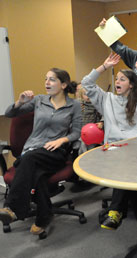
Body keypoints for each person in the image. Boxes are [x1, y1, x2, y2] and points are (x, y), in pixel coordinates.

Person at [81, 53, 137, 241]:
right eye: (116, 79)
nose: (117, 81)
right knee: (128, 174)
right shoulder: (105, 99)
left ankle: (116, 211)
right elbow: (86, 83)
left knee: (126, 172)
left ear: (131, 85)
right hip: (114, 150)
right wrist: (104, 66)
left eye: (122, 79)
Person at [0, 68, 81, 235]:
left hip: (55, 152)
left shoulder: (74, 105)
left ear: (64, 84)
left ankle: (12, 207)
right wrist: (20, 102)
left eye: (52, 79)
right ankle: (44, 216)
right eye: (46, 79)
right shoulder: (39, 100)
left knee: (28, 159)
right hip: (33, 150)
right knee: (38, 175)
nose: (47, 83)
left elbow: (77, 133)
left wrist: (62, 140)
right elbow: (10, 114)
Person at [76, 84, 103, 153]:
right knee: (82, 147)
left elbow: (103, 115)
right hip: (82, 131)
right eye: (85, 94)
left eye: (90, 94)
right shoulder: (80, 105)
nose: (88, 96)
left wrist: (101, 123)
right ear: (81, 95)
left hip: (94, 131)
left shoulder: (97, 105)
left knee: (92, 148)